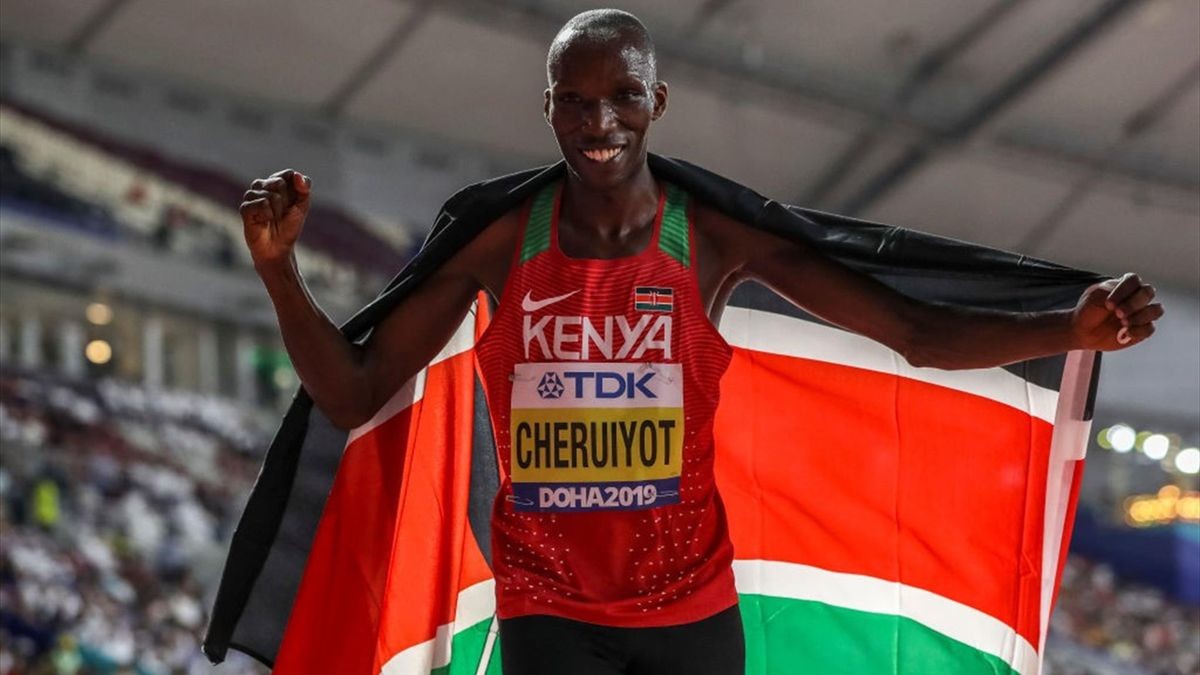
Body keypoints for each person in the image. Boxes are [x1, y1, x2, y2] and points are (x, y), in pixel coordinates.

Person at [237, 9, 1162, 675]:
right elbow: (354, 393)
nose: (599, 123)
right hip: (548, 610)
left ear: (659, 99)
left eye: (622, 96)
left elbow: (913, 332)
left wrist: (1064, 327)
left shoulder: (711, 236)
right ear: (549, 107)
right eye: (575, 101)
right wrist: (279, 269)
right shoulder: (500, 240)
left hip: (688, 613)